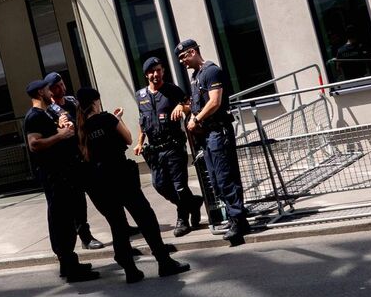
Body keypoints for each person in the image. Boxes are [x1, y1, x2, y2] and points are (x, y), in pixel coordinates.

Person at [76, 87, 190, 283]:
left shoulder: (81, 129)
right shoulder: (107, 119)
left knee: (117, 225)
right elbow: (128, 139)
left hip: (101, 182)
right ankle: (163, 261)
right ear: (96, 101)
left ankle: (129, 268)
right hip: (121, 176)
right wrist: (118, 118)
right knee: (145, 217)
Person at [175, 39, 250, 246]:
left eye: (183, 57)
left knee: (225, 177)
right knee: (216, 180)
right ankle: (237, 219)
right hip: (207, 135)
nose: (182, 61)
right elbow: (199, 103)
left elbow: (215, 101)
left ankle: (237, 220)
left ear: (192, 52)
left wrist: (197, 118)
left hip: (218, 131)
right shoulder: (196, 76)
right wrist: (189, 111)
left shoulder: (211, 71)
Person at [24, 78, 99, 283]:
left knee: (66, 218)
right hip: (54, 175)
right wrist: (61, 135)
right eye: (48, 90)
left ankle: (69, 264)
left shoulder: (47, 113)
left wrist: (61, 128)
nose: (52, 93)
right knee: (61, 220)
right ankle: (69, 266)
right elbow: (35, 144)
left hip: (64, 172)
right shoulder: (34, 116)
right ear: (41, 92)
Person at [135, 57, 204, 236]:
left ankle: (183, 219)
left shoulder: (172, 90)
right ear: (146, 74)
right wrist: (140, 142)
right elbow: (142, 121)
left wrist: (182, 107)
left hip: (173, 146)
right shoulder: (140, 95)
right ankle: (193, 203)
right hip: (155, 150)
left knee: (179, 186)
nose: (155, 74)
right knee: (160, 185)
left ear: (163, 71)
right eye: (152, 71)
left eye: (158, 70)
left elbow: (190, 104)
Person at [44, 72, 106, 251]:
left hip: (84, 154)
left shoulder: (72, 101)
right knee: (78, 201)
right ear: (49, 90)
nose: (61, 88)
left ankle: (120, 223)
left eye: (62, 84)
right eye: (56, 86)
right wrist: (60, 126)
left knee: (100, 193)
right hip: (69, 160)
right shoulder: (49, 111)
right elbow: (51, 134)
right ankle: (85, 237)